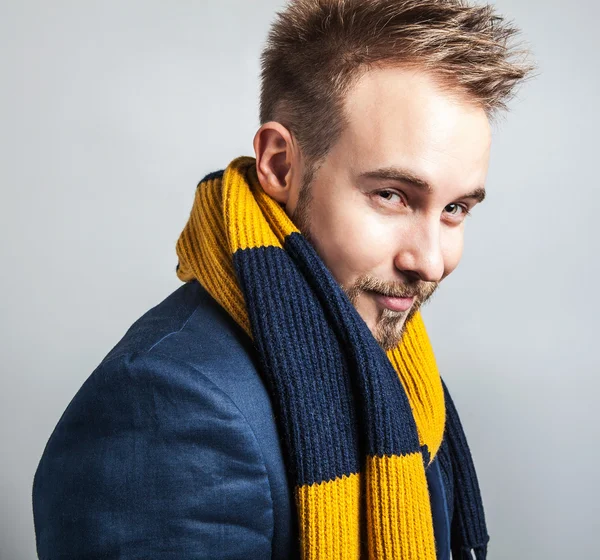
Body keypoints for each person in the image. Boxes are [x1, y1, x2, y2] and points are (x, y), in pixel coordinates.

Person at [32, 1, 534, 558]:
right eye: (391, 196)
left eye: (456, 209)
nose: (431, 261)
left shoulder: (397, 373)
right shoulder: (170, 408)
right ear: (278, 164)